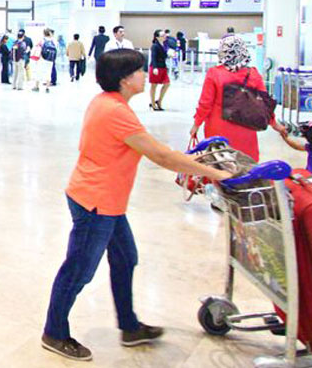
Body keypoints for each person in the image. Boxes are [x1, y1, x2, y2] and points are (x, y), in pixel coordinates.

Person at [41, 49, 233, 361]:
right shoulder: (115, 111)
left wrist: (194, 159)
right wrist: (214, 173)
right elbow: (161, 156)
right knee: (78, 270)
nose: (146, 75)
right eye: (140, 71)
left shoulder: (108, 102)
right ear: (125, 79)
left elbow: (154, 148)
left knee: (125, 258)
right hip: (96, 203)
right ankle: (54, 332)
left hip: (107, 201)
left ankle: (129, 327)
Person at [189, 35, 284, 161]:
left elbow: (205, 103)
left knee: (220, 164)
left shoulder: (215, 73)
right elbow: (264, 105)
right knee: (244, 165)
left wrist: (196, 124)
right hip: (246, 127)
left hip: (218, 128)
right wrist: (275, 124)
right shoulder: (253, 74)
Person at [147, 30, 171, 111]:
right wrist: (154, 68)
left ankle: (159, 101)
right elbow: (153, 57)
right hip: (156, 67)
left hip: (163, 67)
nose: (165, 36)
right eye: (162, 35)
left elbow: (164, 55)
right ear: (157, 37)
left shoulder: (164, 44)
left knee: (167, 83)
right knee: (154, 86)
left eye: (164, 34)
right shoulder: (155, 46)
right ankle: (153, 103)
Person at [35, 28, 56, 92]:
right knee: (48, 73)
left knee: (39, 72)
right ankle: (47, 88)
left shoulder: (42, 40)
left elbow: (37, 48)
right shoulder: (53, 41)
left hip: (42, 59)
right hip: (50, 59)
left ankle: (37, 86)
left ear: (43, 33)